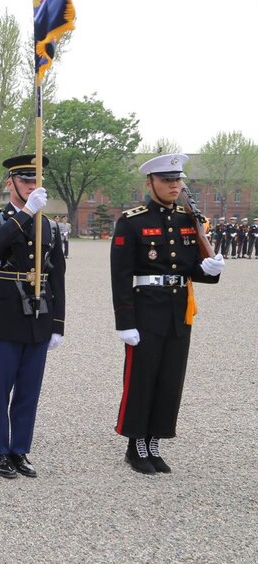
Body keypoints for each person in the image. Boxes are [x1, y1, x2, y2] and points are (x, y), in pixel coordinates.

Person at [110, 154, 224, 474]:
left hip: (178, 309)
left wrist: (210, 269)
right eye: (167, 180)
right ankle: (136, 444)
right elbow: (120, 276)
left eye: (178, 180)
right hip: (146, 308)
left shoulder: (188, 220)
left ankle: (156, 439)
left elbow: (189, 269)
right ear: (151, 183)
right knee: (142, 378)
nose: (174, 185)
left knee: (170, 378)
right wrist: (124, 322)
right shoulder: (133, 221)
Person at [0, 154, 65, 479]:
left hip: (38, 314)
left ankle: (20, 449)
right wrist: (26, 213)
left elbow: (57, 277)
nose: (32, 185)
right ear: (9, 182)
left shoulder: (50, 226)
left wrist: (58, 324)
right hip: (3, 313)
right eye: (25, 179)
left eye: (35, 180)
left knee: (29, 389)